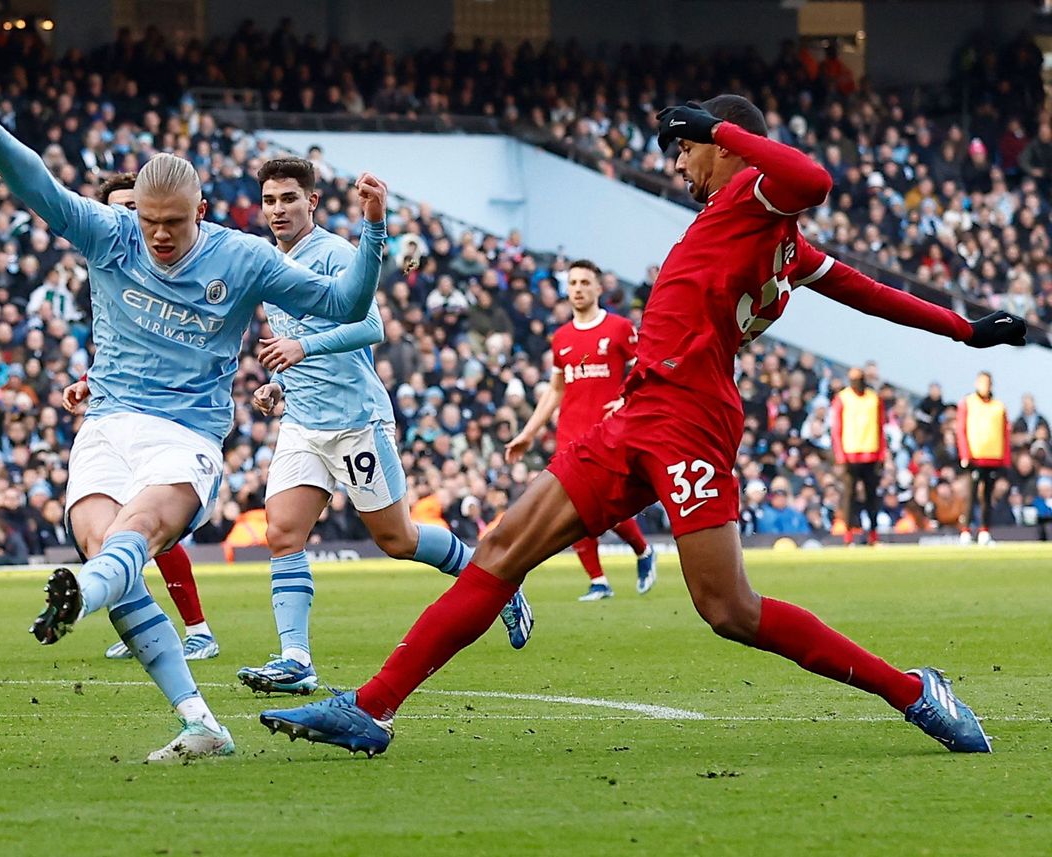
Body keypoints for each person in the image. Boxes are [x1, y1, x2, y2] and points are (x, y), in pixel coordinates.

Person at [262, 94, 1026, 757]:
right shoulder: (762, 227)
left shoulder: (758, 196)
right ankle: (371, 706)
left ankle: (912, 689)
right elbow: (869, 291)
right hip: (637, 414)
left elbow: (814, 181)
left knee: (729, 609)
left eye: (687, 149)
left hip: (691, 420)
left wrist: (718, 131)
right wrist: (962, 329)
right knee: (500, 548)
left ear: (726, 146)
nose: (681, 165)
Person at [0, 74, 388, 761]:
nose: (158, 235)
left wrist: (375, 231)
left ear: (200, 211)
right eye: (149, 221)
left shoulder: (243, 257)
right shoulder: (111, 234)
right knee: (103, 544)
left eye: (174, 223)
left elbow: (349, 305)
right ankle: (199, 721)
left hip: (184, 434)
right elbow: (41, 191)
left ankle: (81, 593)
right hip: (106, 424)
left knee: (136, 532)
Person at [236, 157, 531, 696]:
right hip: (302, 422)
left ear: (312, 202)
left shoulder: (333, 253)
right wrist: (280, 382)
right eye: (270, 200)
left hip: (354, 422)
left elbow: (370, 326)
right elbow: (296, 339)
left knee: (398, 539)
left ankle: (499, 584)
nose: (278, 209)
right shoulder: (270, 262)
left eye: (289, 199)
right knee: (282, 532)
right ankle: (296, 659)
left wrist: (302, 348)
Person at [91, 172, 220, 663]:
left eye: (134, 209)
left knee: (149, 528)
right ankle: (147, 628)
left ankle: (198, 630)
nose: (127, 220)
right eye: (118, 210)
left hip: (174, 418)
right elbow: (121, 346)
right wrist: (88, 378)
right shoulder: (111, 261)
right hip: (117, 413)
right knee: (115, 529)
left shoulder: (175, 263)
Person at [507, 258, 657, 600]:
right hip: (569, 435)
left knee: (604, 507)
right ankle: (598, 580)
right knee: (573, 507)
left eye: (585, 282)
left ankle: (642, 549)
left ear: (599, 288)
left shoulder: (619, 328)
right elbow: (556, 390)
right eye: (573, 283)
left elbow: (643, 370)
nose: (578, 289)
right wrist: (528, 433)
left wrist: (626, 399)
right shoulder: (561, 337)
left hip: (607, 434)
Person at [955, 371, 1011, 546]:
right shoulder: (968, 403)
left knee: (987, 497)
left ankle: (984, 530)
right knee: (971, 495)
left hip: (993, 457)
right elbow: (961, 429)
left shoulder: (999, 406)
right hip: (974, 456)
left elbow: (1005, 433)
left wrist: (1005, 459)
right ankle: (965, 531)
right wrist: (965, 454)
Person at [830, 367, 885, 545]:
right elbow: (837, 428)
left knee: (872, 496)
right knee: (849, 496)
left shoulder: (874, 398)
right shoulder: (842, 398)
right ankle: (849, 534)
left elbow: (880, 427)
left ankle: (873, 534)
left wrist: (881, 454)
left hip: (871, 454)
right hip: (850, 454)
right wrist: (840, 455)